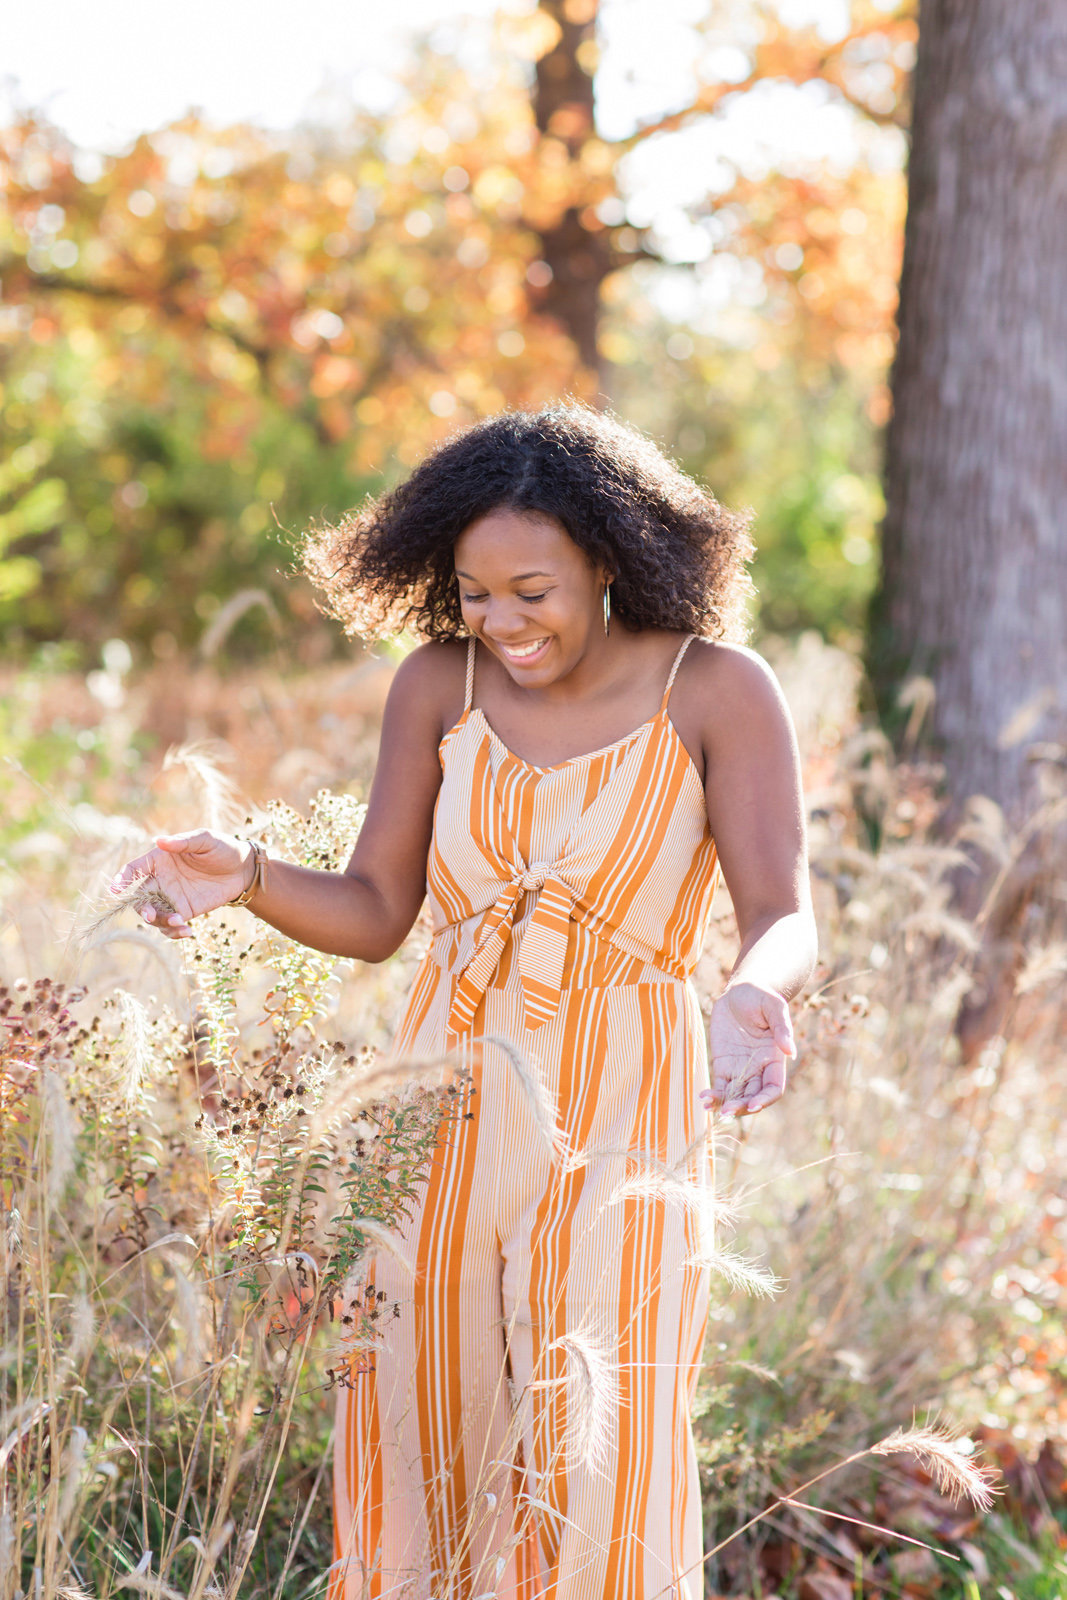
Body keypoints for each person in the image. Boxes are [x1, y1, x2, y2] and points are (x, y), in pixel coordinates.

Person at [113, 405, 817, 1600]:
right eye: (472, 591)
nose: (500, 621)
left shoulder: (717, 690)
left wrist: (754, 988)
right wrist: (245, 879)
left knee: (608, 1429)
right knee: (422, 1410)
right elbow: (381, 908)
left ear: (609, 555)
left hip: (626, 1104)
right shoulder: (437, 683)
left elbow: (783, 906)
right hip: (437, 1095)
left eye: (530, 588)